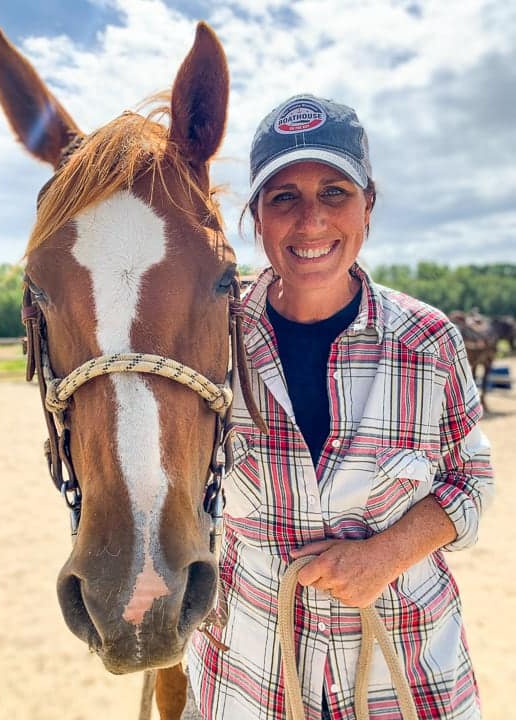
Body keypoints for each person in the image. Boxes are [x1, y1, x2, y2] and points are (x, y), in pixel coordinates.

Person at [188, 94, 494, 720]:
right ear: (257, 220)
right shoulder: (211, 345)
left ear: (368, 207)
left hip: (407, 677)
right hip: (250, 681)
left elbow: (472, 481)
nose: (311, 222)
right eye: (283, 199)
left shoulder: (428, 343)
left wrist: (386, 554)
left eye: (334, 192)